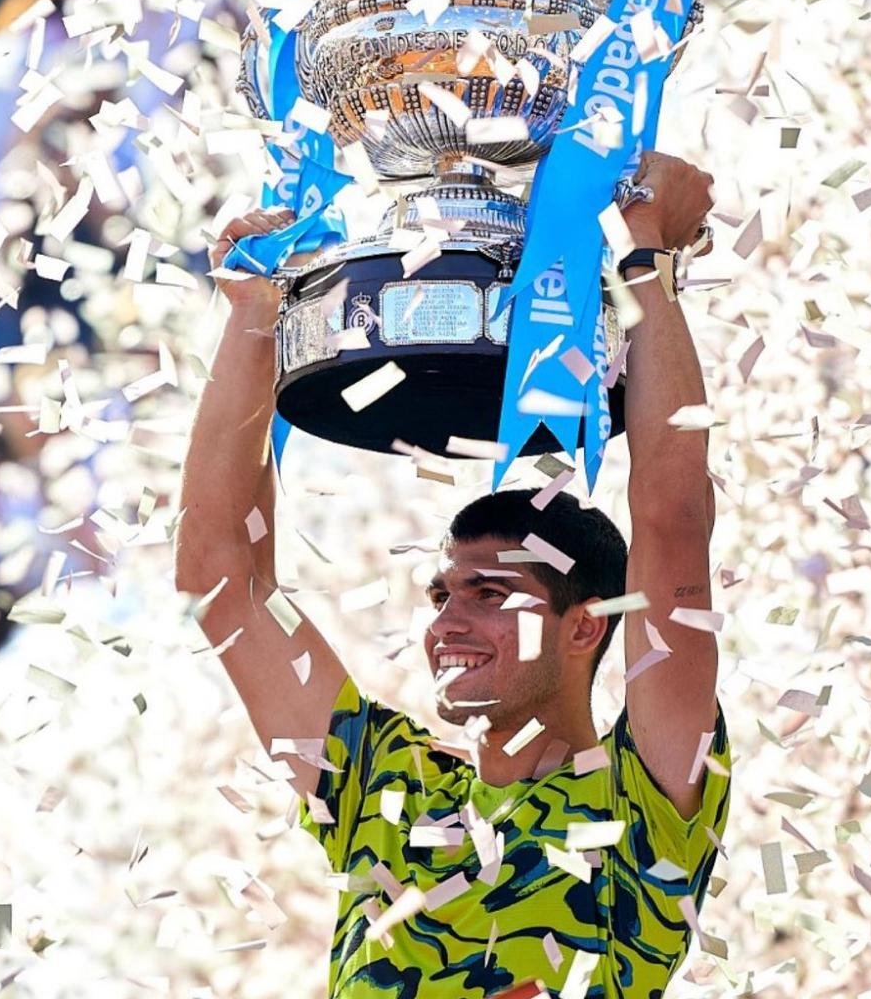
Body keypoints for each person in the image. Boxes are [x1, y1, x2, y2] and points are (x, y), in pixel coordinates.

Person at [176, 151, 731, 998]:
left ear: (585, 624)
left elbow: (672, 523)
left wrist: (642, 256)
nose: (444, 625)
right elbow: (220, 576)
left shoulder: (645, 801)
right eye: (441, 594)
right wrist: (255, 317)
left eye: (490, 593)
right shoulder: (385, 789)